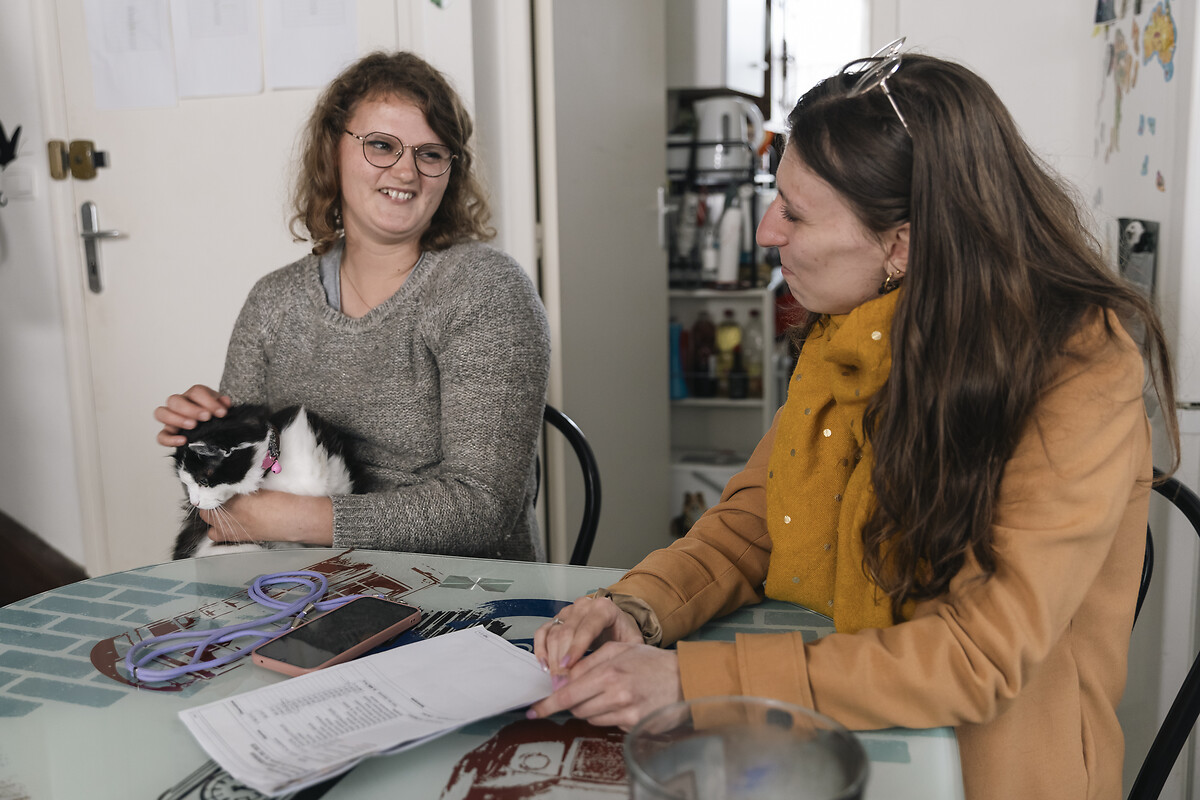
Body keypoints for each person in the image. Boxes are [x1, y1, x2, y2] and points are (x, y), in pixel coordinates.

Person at [531, 40, 1179, 800]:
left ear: (901, 245)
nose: (768, 230)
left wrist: (692, 680)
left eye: (796, 213)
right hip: (843, 717)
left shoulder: (1078, 368)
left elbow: (980, 654)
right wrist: (637, 607)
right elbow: (752, 522)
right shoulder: (850, 328)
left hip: (993, 770)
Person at [153, 52, 550, 561]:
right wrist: (205, 430)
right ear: (331, 152)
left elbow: (483, 509)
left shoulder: (484, 289)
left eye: (430, 154)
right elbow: (231, 501)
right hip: (298, 582)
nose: (406, 171)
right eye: (381, 145)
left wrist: (298, 519)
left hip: (457, 596)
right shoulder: (273, 302)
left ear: (450, 172)